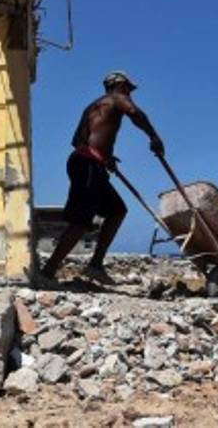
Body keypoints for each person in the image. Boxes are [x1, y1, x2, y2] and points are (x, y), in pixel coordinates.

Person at [40, 70, 164, 284]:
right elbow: (135, 113)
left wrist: (105, 158)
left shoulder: (93, 106)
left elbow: (78, 141)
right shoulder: (116, 99)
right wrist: (153, 136)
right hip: (88, 164)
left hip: (87, 162)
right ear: (120, 86)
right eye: (128, 90)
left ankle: (95, 266)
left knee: (116, 211)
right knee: (80, 220)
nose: (129, 95)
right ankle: (47, 272)